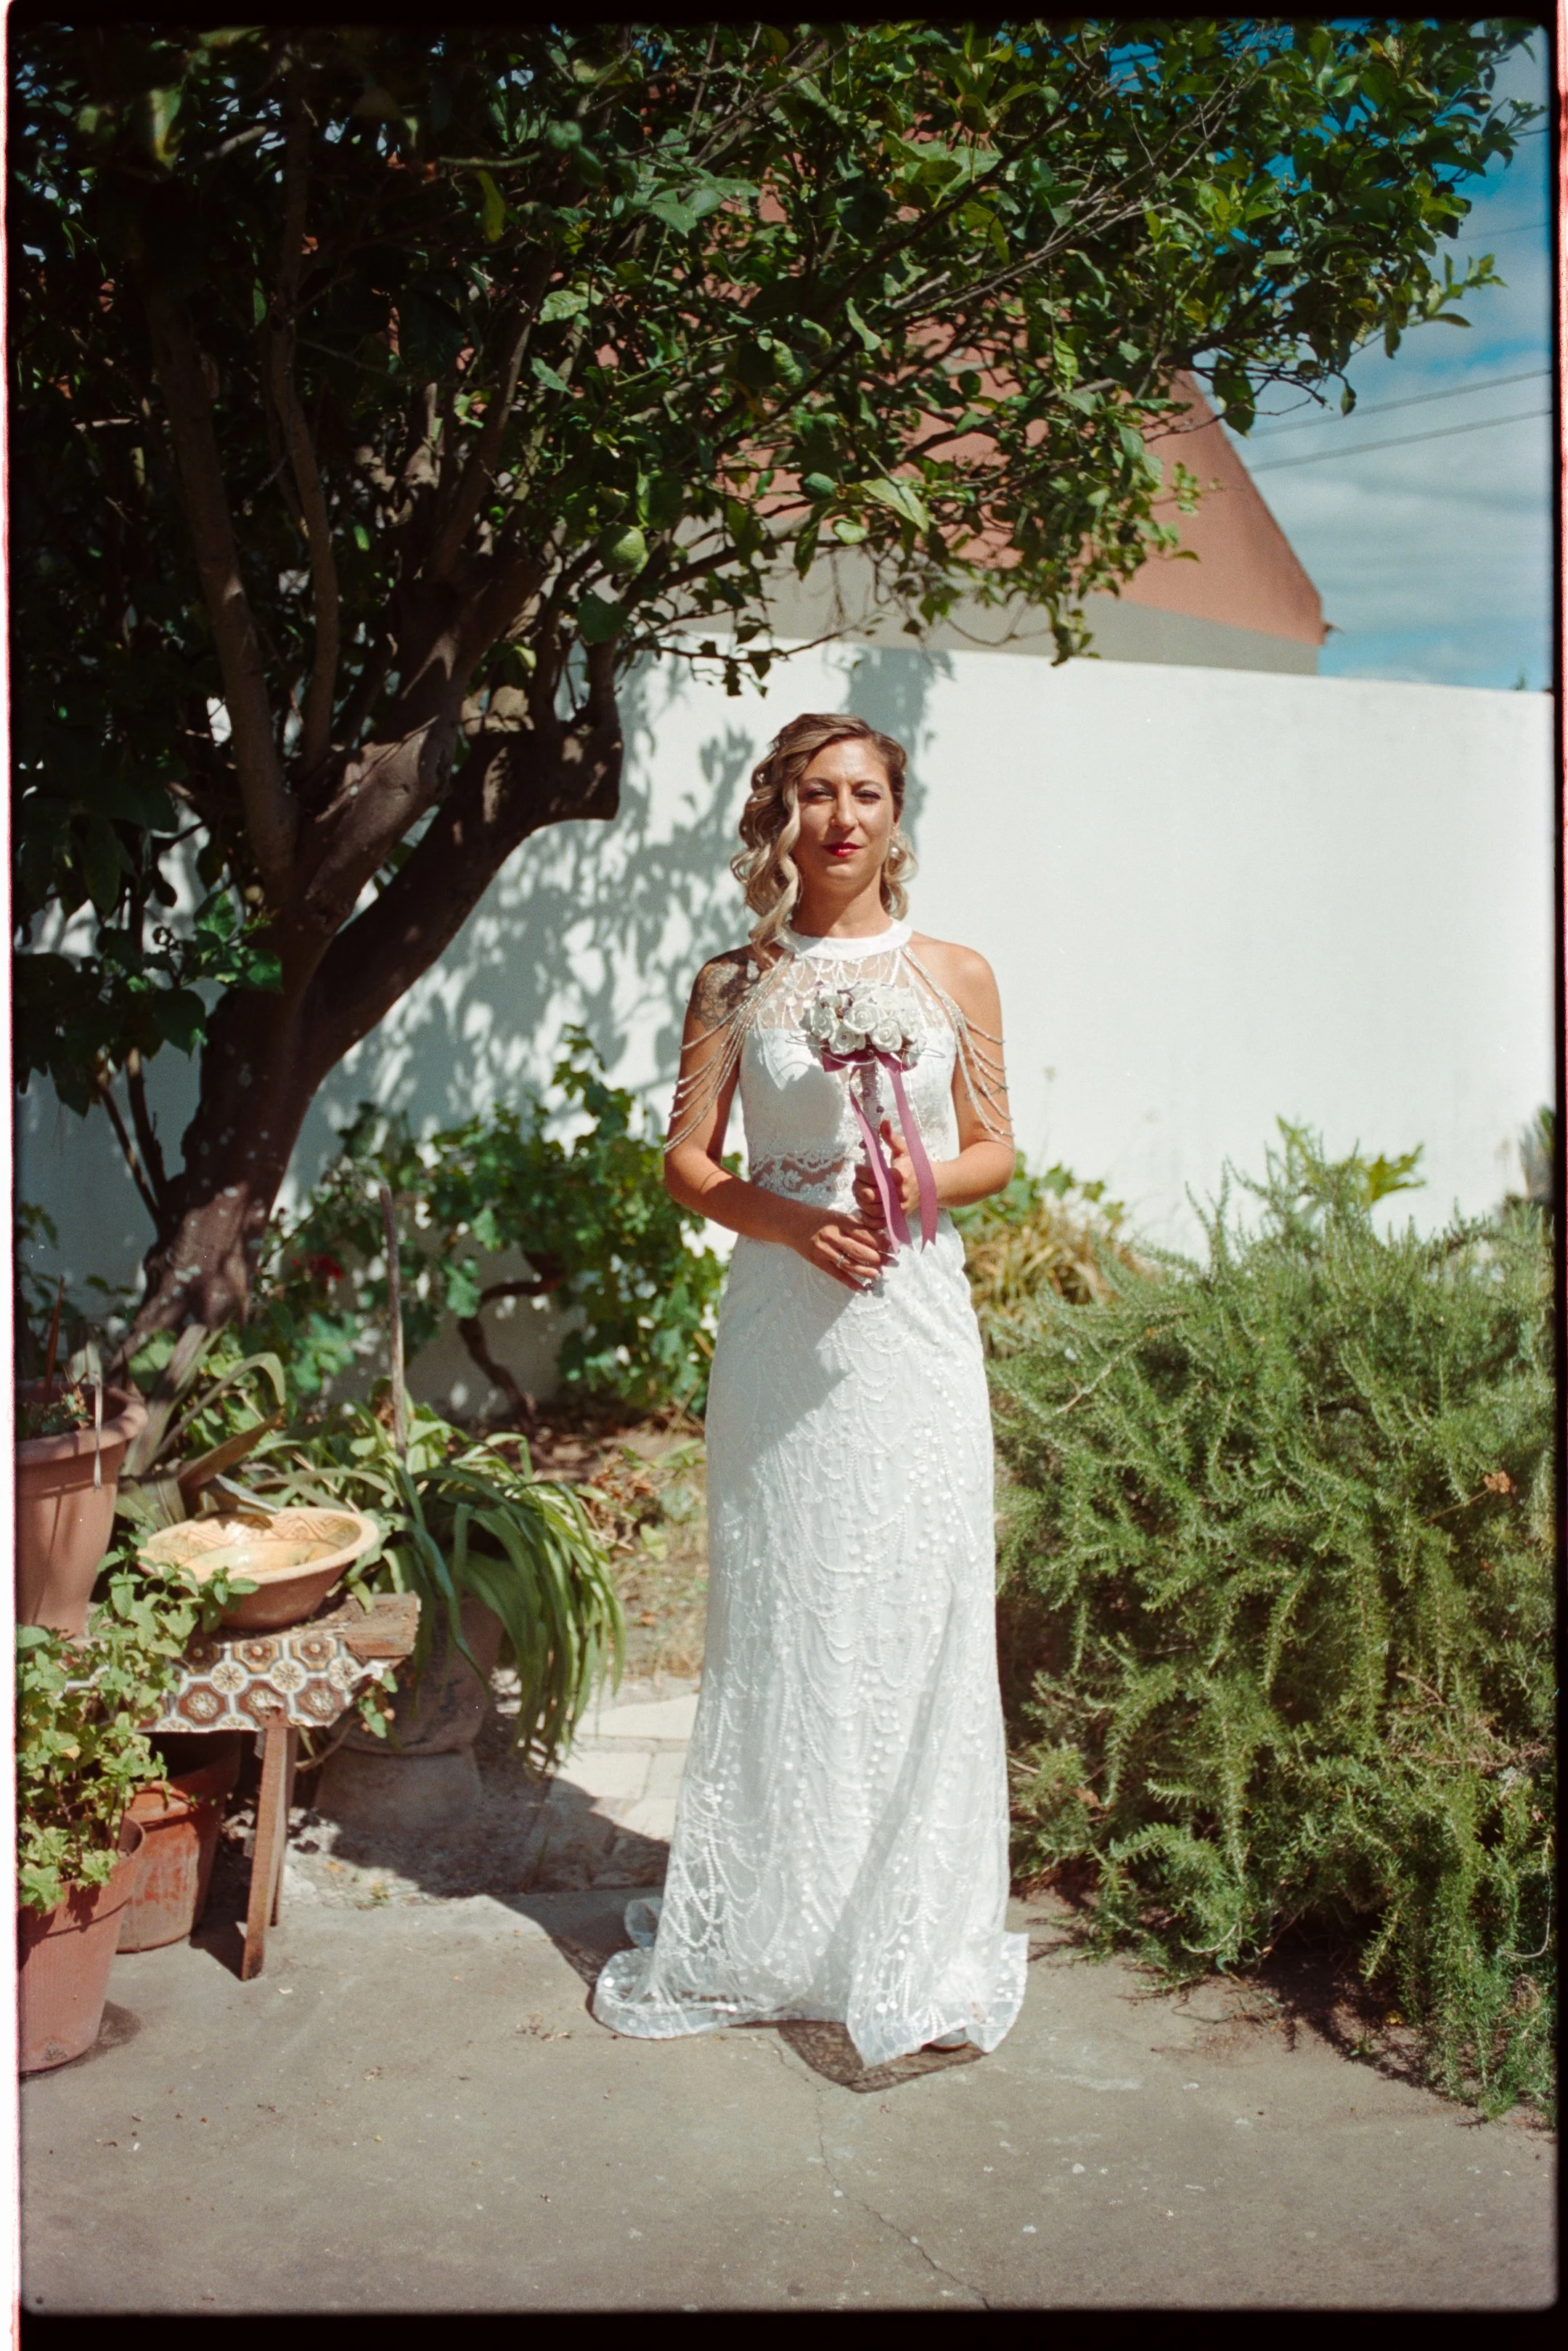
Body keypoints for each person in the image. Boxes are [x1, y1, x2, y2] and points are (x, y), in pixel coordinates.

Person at [592, 712, 1026, 2066]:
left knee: (913, 1596)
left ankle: (911, 1932)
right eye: (817, 794)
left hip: (913, 1327)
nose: (843, 817)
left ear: (899, 814)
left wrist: (916, 1182)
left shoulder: (954, 970)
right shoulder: (735, 981)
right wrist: (783, 1223)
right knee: (790, 1605)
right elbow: (686, 1157)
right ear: (780, 813)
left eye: (867, 793)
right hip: (783, 1324)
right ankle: (778, 1927)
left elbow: (998, 1148)